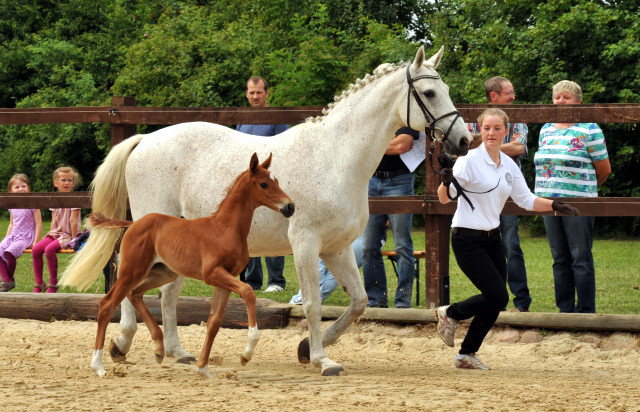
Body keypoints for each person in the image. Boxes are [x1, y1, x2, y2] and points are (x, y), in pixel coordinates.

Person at [436, 108, 579, 370]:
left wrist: (555, 205)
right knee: (497, 295)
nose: (491, 133)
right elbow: (445, 198)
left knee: (496, 299)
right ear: (480, 130)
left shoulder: (508, 165)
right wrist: (446, 181)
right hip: (467, 240)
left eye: (497, 128)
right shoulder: (468, 160)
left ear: (505, 131)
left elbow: (526, 200)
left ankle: (466, 354)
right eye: (487, 128)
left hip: (493, 240)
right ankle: (450, 313)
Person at [534, 80, 610, 313]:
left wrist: (582, 191)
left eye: (566, 97)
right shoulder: (545, 128)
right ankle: (564, 312)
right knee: (559, 259)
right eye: (557, 97)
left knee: (580, 258)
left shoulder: (590, 129)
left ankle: (585, 312)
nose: (560, 101)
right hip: (548, 203)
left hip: (579, 203)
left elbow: (604, 169)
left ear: (578, 101)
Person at [468, 76, 531, 312]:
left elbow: (519, 147)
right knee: (487, 248)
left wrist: (485, 145)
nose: (513, 97)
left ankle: (521, 302)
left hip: (508, 192)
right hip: (481, 196)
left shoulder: (520, 119)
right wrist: (499, 145)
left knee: (511, 245)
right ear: (494, 96)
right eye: (509, 93)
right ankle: (496, 301)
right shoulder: (473, 119)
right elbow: (465, 149)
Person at [236, 76, 289, 293]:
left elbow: (284, 149)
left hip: (270, 187)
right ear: (246, 94)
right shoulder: (242, 120)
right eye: (251, 92)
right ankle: (252, 280)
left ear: (267, 93)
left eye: (259, 92)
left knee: (272, 228)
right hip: (249, 188)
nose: (255, 96)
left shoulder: (276, 119)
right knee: (249, 230)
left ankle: (276, 281)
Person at [362, 127, 421, 308]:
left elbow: (401, 146)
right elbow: (358, 143)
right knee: (369, 246)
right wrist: (388, 141)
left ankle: (403, 303)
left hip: (400, 180)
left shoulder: (406, 116)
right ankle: (376, 302)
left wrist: (373, 143)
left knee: (402, 245)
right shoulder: (375, 114)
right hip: (371, 179)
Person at [31, 166, 82, 293]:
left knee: (49, 250)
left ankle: (53, 283)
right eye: (63, 180)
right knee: (36, 249)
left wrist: (75, 241)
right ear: (56, 182)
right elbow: (54, 220)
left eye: (69, 180)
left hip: (69, 235)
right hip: (56, 233)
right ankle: (39, 283)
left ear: (73, 183)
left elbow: (73, 221)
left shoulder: (75, 199)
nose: (66, 183)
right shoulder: (54, 199)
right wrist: (50, 235)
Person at [289, 235, 363, 305]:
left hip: (349, 238)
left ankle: (306, 297)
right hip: (365, 243)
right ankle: (307, 298)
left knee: (318, 258)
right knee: (336, 272)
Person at [0, 174, 43, 292]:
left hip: (25, 236)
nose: (21, 189)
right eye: (17, 187)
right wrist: (6, 238)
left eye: (23, 186)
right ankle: (7, 280)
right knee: (0, 250)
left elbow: (39, 223)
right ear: (10, 190)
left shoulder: (32, 204)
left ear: (28, 188)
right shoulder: (12, 205)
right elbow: (11, 223)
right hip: (13, 235)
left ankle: (8, 280)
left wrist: (35, 241)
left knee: (9, 252)